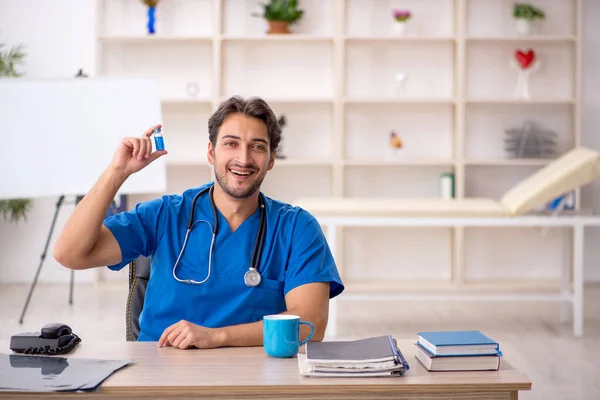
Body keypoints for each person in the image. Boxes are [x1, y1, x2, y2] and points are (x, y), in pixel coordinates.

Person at [53, 96, 344, 350]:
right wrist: (117, 172)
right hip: (159, 373)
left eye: (257, 147)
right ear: (211, 152)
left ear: (270, 159)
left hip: (254, 374)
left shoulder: (296, 228)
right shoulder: (165, 215)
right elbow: (70, 254)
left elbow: (310, 324)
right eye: (231, 144)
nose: (243, 158)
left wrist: (216, 337)